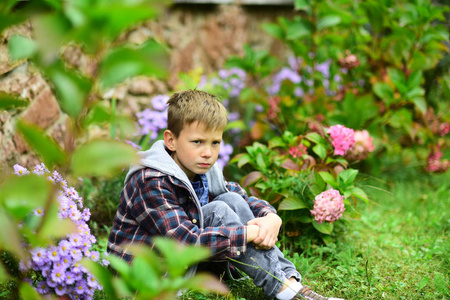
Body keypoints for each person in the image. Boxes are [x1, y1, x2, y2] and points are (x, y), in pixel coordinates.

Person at [107, 90, 343, 300]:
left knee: (229, 200)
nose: (208, 153)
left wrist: (271, 217)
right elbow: (187, 242)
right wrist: (249, 233)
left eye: (215, 143)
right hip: (144, 277)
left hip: (183, 267)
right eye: (197, 142)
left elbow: (239, 196)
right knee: (218, 210)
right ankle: (285, 290)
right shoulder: (151, 181)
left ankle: (290, 284)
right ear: (171, 140)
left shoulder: (202, 169)